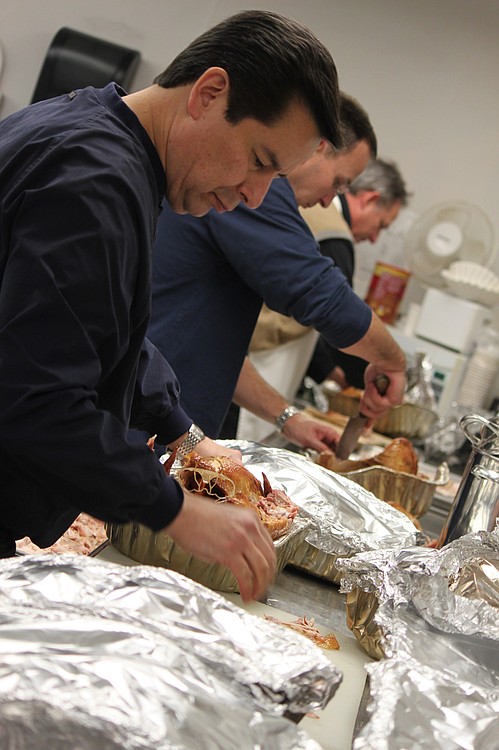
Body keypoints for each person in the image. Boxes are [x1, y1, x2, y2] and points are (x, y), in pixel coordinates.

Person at [0, 10, 343, 601]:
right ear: (209, 94)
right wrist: (174, 510)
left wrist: (181, 431)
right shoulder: (94, 179)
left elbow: (109, 332)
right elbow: (38, 397)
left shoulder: (103, 141)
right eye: (259, 162)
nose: (253, 197)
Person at [148, 94, 407, 456]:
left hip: (166, 426)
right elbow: (326, 299)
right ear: (317, 148)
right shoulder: (256, 194)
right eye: (338, 183)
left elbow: (219, 350)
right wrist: (394, 362)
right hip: (144, 431)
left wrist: (288, 418)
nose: (327, 200)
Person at [303, 158, 410, 390]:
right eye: (380, 225)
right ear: (370, 199)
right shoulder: (334, 234)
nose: (374, 239)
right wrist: (380, 378)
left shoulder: (319, 214)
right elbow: (342, 319)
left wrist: (327, 370)